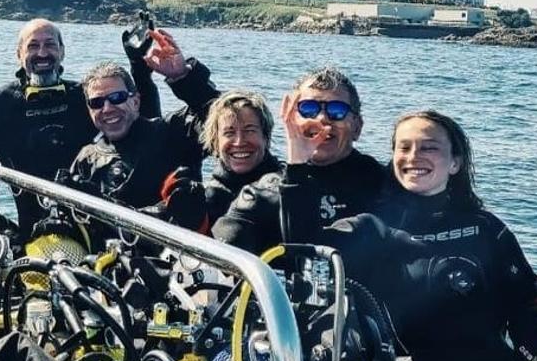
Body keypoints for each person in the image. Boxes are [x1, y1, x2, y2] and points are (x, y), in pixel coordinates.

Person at [342, 111, 537, 361]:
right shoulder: (369, 228)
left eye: (429, 147)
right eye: (404, 147)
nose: (413, 156)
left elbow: (525, 298)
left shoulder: (486, 229)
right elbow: (305, 249)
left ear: (455, 163)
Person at [0, 18, 162, 230]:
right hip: (31, 232)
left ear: (62, 52)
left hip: (94, 225)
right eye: (33, 46)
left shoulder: (88, 99)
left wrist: (140, 68)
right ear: (19, 55)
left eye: (50, 44)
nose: (42, 53)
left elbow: (143, 124)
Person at [210, 66, 387, 253]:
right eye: (309, 109)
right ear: (292, 120)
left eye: (336, 110)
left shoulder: (385, 184)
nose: (321, 119)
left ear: (357, 127)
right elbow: (220, 254)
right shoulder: (263, 194)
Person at [64, 29, 218, 212]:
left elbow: (224, 118)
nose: (107, 109)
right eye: (97, 102)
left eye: (117, 98)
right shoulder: (87, 158)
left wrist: (184, 77)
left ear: (136, 101)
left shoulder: (172, 134)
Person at [162, 90, 284, 234]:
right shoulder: (207, 196)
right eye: (229, 133)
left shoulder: (284, 188)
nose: (239, 142)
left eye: (249, 130)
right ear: (215, 142)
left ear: (266, 138)